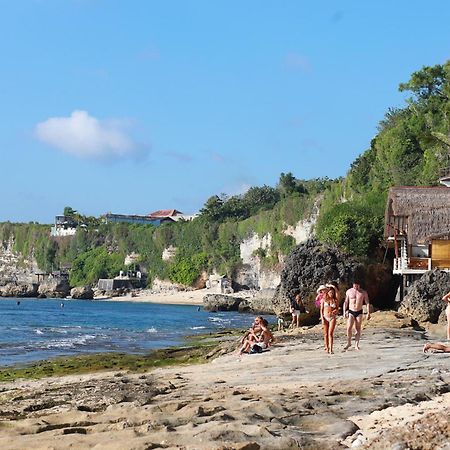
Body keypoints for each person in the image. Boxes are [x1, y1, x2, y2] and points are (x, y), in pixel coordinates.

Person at [343, 280, 370, 350]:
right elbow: (346, 302)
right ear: (353, 284)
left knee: (358, 328)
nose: (356, 287)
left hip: (359, 311)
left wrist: (368, 313)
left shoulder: (363, 292)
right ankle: (349, 342)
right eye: (355, 285)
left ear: (359, 285)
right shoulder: (349, 291)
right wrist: (344, 312)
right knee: (349, 328)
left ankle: (356, 345)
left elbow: (367, 302)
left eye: (357, 285)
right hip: (351, 311)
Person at [320, 285, 339, 354]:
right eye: (330, 292)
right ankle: (327, 347)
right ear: (328, 293)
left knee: (330, 333)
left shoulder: (335, 300)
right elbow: (321, 310)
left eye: (333, 293)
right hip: (325, 317)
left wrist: (336, 310)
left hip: (332, 317)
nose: (331, 294)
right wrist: (322, 318)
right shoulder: (323, 300)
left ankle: (331, 349)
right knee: (325, 334)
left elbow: (337, 308)